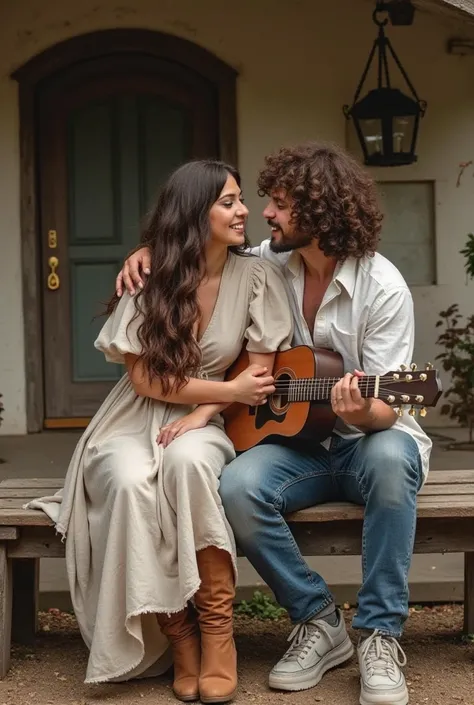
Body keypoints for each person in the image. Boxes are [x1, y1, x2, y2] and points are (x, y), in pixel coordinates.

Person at [117, 141, 431, 705]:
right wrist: (146, 249)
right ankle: (317, 619)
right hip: (298, 444)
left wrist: (363, 409)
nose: (265, 214)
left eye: (280, 204)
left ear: (320, 212)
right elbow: (201, 238)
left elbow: (391, 407)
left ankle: (380, 634)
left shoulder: (382, 287)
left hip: (368, 440)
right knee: (235, 485)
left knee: (390, 457)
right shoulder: (269, 263)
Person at [27, 160, 293, 702]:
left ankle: (218, 629)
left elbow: (259, 372)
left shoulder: (258, 275)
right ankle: (180, 635)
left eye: (240, 199)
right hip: (132, 417)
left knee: (190, 462)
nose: (243, 211)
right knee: (127, 481)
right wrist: (227, 392)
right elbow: (147, 380)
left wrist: (207, 412)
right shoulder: (149, 276)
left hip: (208, 418)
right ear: (195, 212)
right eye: (227, 201)